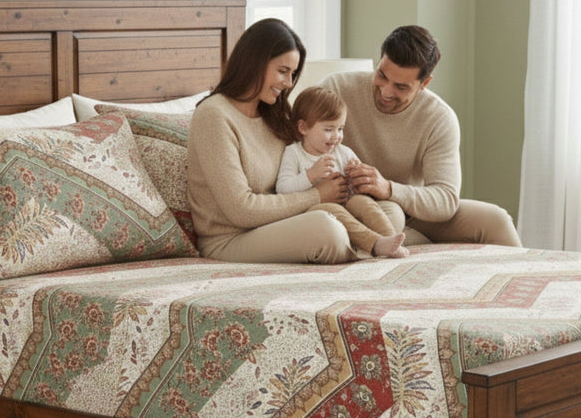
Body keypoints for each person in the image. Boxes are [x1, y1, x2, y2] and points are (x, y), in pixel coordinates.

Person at [320, 25, 522, 248]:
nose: (386, 92)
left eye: (401, 87)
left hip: (411, 209)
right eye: (382, 75)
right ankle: (406, 241)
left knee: (496, 220)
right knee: (391, 218)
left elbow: (445, 199)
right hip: (355, 206)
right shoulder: (336, 89)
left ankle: (520, 280)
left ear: (424, 83)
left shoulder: (438, 118)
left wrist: (388, 188)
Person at [187, 18, 357, 264]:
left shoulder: (275, 113)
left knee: (385, 213)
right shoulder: (214, 116)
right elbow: (241, 210)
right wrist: (317, 196)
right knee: (325, 230)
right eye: (283, 71)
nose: (288, 83)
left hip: (282, 223)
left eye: (293, 74)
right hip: (231, 239)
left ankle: (375, 242)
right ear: (255, 62)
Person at [276, 86, 408, 258]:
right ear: (303, 128)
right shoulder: (294, 153)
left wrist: (355, 176)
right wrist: (311, 175)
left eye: (340, 129)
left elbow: (360, 188)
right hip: (315, 211)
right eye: (328, 129)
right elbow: (282, 188)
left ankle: (391, 239)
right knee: (331, 209)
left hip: (348, 204)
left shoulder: (343, 152)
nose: (336, 136)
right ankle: (374, 244)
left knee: (363, 202)